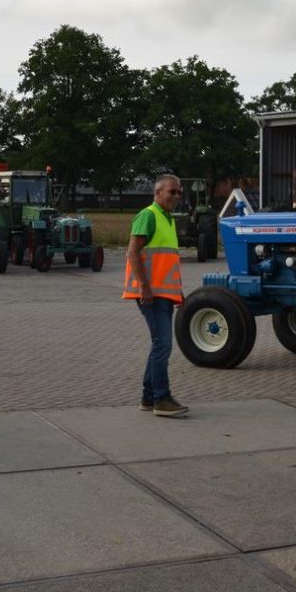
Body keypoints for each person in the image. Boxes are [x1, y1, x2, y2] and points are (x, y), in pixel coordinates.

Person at [123, 174, 188, 417]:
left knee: (160, 345)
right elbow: (132, 253)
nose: (177, 196)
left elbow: (166, 261)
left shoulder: (168, 220)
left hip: (163, 294)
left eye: (179, 192)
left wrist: (177, 290)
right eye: (172, 191)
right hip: (150, 294)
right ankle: (162, 399)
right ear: (158, 193)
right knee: (163, 345)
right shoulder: (148, 216)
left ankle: (149, 398)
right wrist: (144, 286)